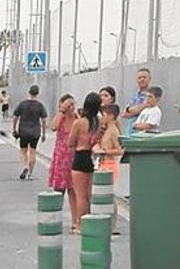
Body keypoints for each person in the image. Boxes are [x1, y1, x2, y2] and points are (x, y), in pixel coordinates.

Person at [68, 92, 102, 234]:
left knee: (80, 194)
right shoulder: (98, 123)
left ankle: (80, 224)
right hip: (91, 157)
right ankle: (87, 221)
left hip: (80, 157)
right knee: (88, 194)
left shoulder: (79, 122)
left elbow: (71, 142)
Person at [47, 94, 79, 229]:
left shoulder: (78, 118)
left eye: (72, 105)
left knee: (74, 191)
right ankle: (54, 220)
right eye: (68, 105)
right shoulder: (61, 118)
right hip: (61, 159)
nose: (71, 108)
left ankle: (75, 221)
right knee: (59, 190)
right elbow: (53, 127)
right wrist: (62, 111)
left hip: (75, 157)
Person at [94, 104, 124, 234]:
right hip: (102, 163)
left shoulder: (114, 131)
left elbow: (120, 150)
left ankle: (113, 225)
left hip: (110, 164)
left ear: (111, 116)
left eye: (104, 115)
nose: (102, 118)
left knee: (110, 196)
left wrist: (105, 151)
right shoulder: (105, 129)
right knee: (103, 194)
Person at [12, 85, 48, 180]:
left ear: (29, 92)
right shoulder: (40, 106)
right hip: (35, 131)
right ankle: (30, 174)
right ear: (38, 93)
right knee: (33, 152)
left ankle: (25, 166)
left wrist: (14, 129)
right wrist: (44, 133)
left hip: (23, 131)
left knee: (23, 151)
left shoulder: (22, 104)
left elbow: (15, 117)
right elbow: (44, 120)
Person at [122, 67, 151, 135]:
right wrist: (136, 109)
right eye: (139, 78)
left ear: (149, 79)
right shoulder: (135, 95)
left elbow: (146, 106)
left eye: (144, 77)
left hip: (143, 134)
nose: (142, 80)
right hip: (130, 132)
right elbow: (124, 114)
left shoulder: (151, 95)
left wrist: (130, 110)